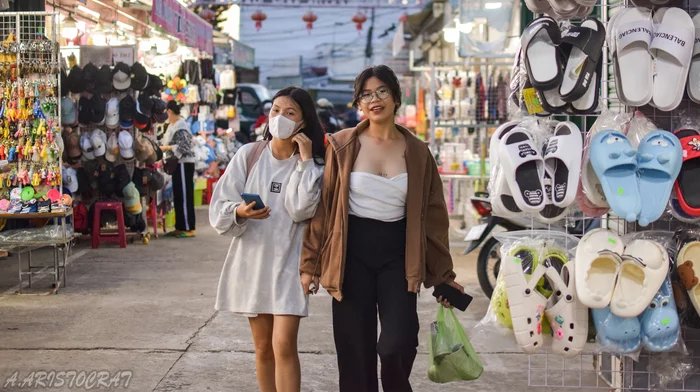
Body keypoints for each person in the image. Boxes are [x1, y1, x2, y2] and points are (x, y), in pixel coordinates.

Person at [300, 65, 464, 392]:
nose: (374, 99)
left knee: (398, 343)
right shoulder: (342, 145)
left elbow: (433, 217)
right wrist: (311, 265)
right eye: (365, 94)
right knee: (354, 351)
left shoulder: (417, 151)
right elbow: (326, 208)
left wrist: (444, 275)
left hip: (399, 258)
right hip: (350, 255)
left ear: (395, 97)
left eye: (381, 91)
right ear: (358, 103)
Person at [210, 86, 326, 392]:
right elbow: (220, 204)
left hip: (290, 262)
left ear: (303, 122)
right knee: (262, 348)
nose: (280, 117)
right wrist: (240, 211)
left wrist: (304, 162)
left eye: (290, 113)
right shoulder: (249, 155)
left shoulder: (314, 164)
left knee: (284, 344)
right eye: (276, 110)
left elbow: (302, 209)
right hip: (253, 262)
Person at [161, 100, 196, 238]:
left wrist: (167, 148)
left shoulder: (181, 126)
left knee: (185, 195)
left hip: (183, 163)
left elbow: (185, 146)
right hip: (177, 164)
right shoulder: (172, 125)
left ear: (169, 111)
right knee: (178, 195)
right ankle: (180, 226)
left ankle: (188, 227)